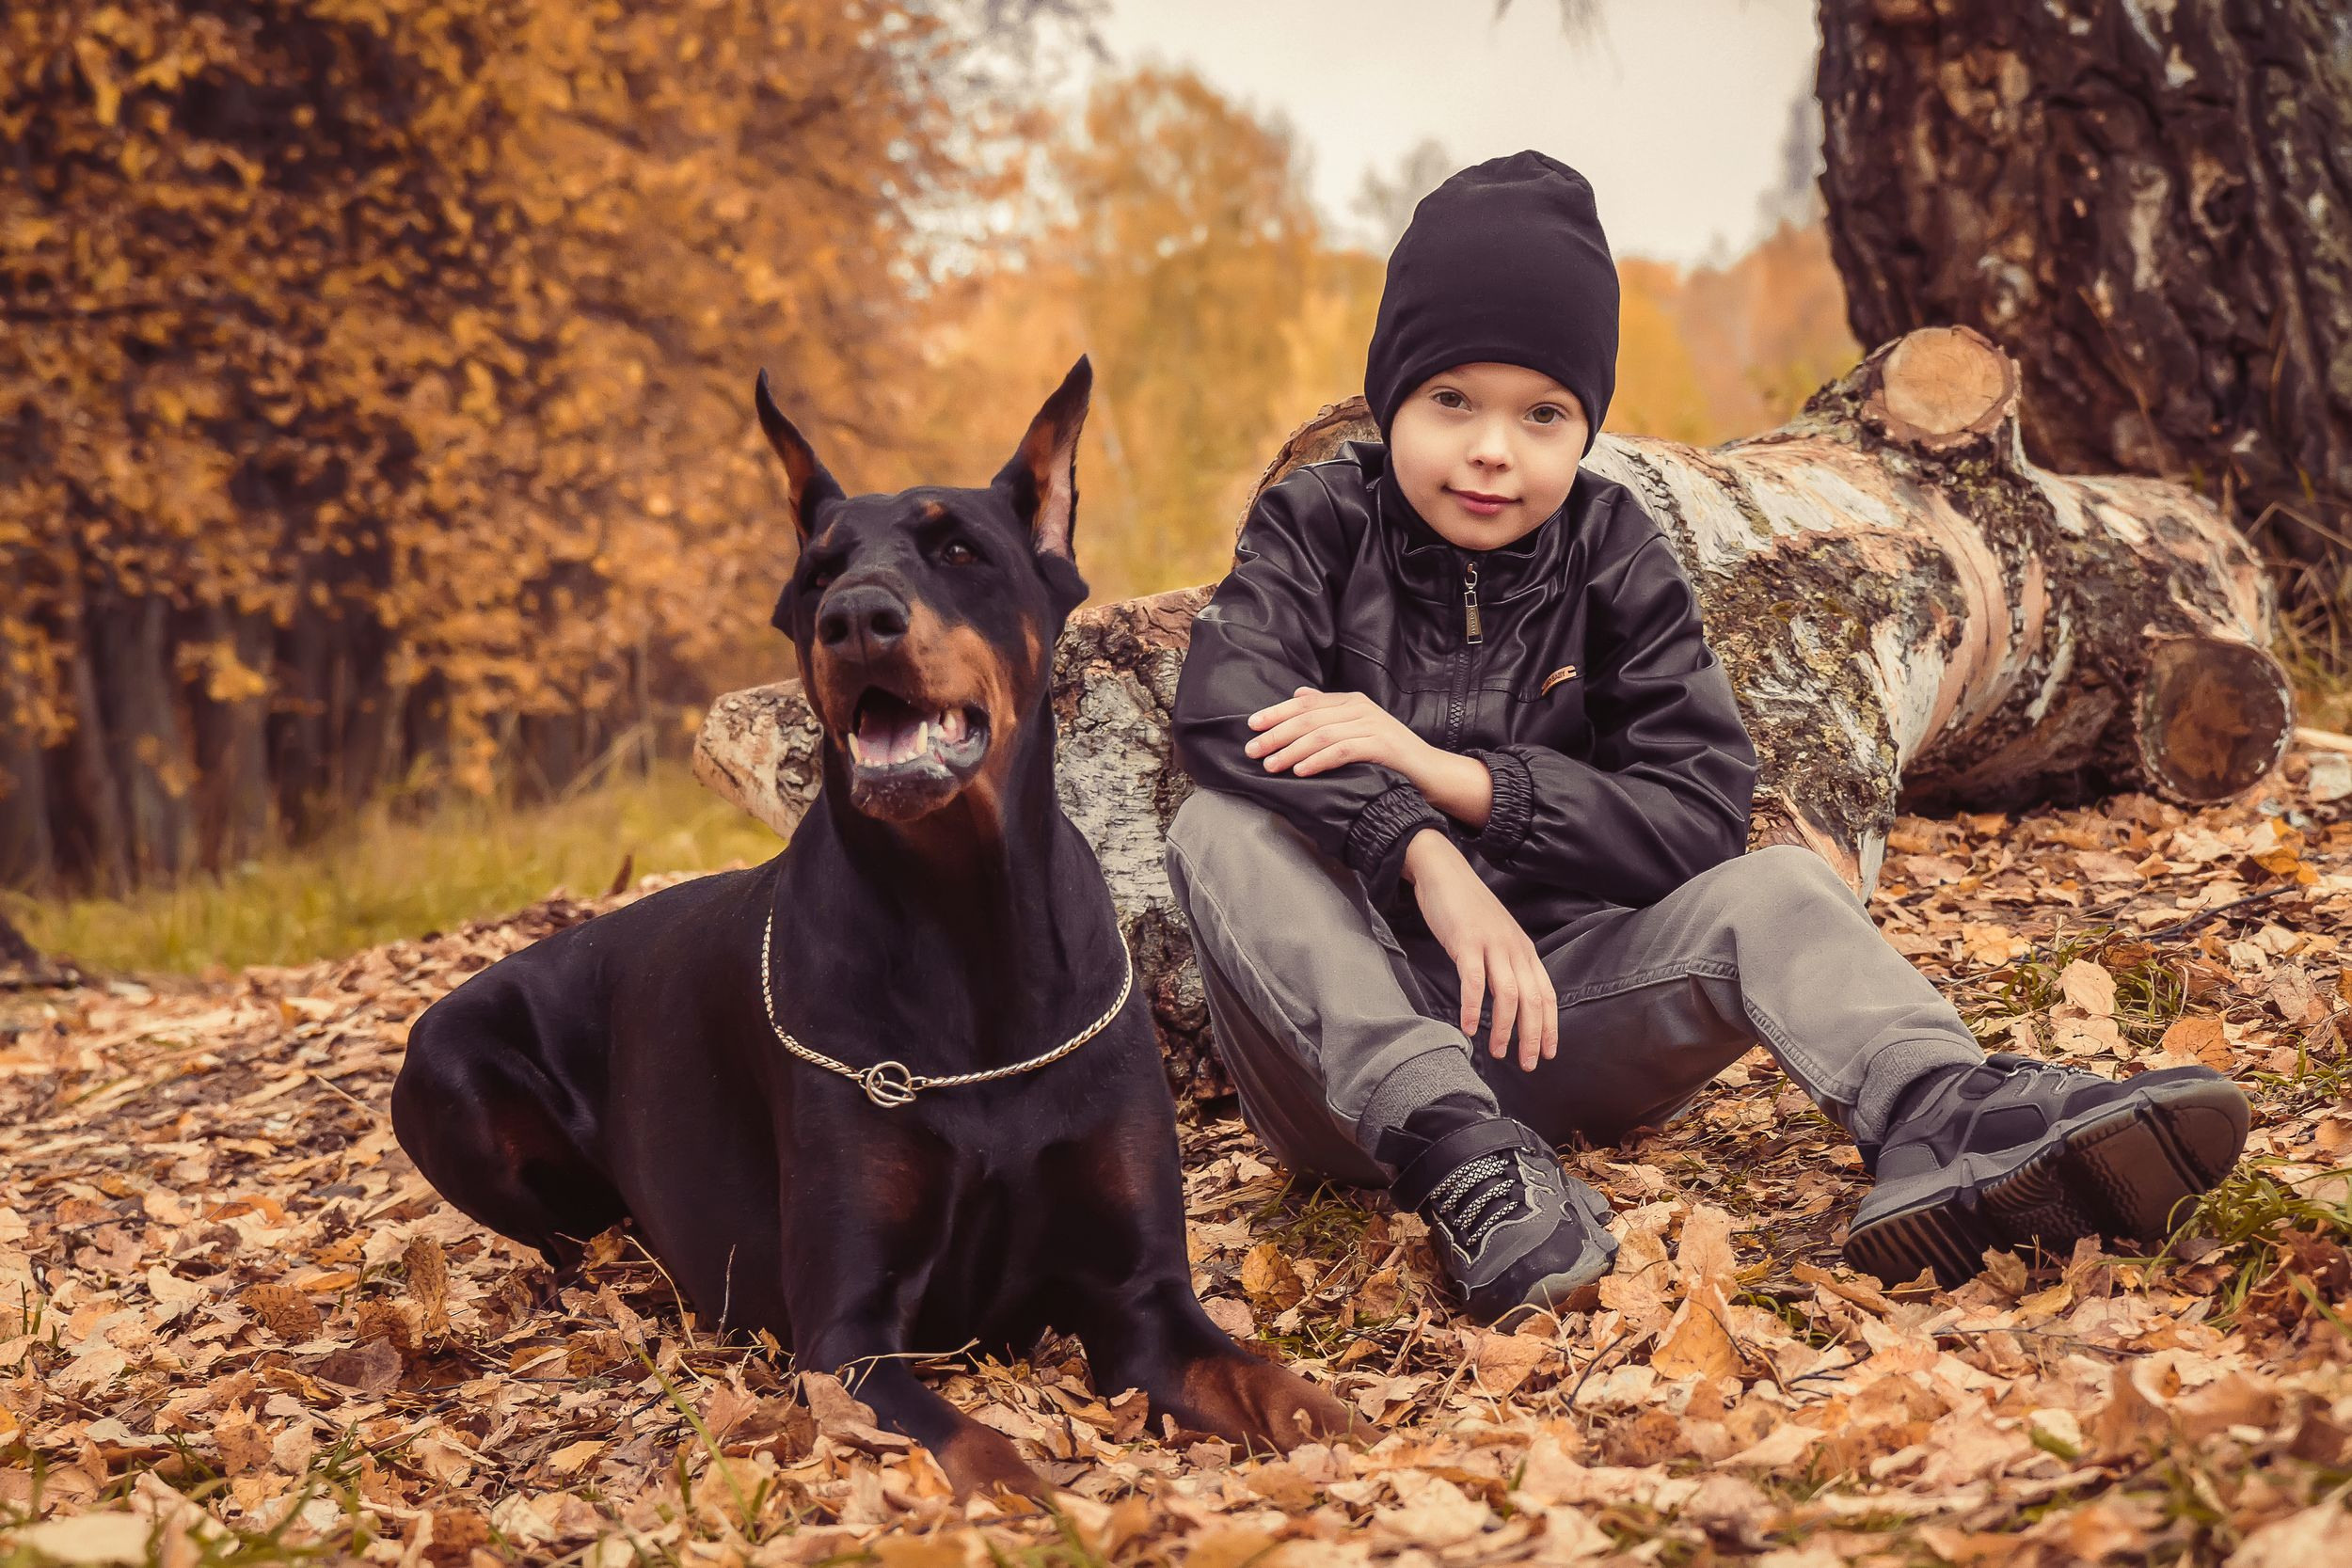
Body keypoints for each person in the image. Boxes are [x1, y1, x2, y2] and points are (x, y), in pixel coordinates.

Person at [1162, 151, 2250, 1324]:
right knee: (1218, 823)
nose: (1493, 450)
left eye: (1543, 414)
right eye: (1452, 401)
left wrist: (1458, 780)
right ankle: (1463, 1159)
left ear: (1585, 426)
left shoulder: (1608, 546)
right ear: (1390, 399)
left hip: (1551, 1020)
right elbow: (1226, 714)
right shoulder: (1318, 522)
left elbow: (1694, 812)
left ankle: (1941, 1107)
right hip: (1345, 1070)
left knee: (1777, 878)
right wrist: (1418, 849)